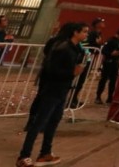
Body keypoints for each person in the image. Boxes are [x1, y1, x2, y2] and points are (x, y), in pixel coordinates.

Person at [17, 22, 88, 167]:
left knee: (54, 121)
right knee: (39, 123)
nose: (86, 34)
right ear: (75, 32)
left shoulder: (74, 49)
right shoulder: (63, 49)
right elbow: (52, 70)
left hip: (62, 89)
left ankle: (45, 153)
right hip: (53, 89)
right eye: (84, 31)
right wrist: (73, 72)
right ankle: (24, 156)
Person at [69, 17, 106, 108]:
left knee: (81, 80)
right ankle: (71, 99)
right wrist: (97, 44)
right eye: (84, 32)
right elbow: (89, 44)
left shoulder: (98, 33)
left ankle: (74, 98)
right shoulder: (92, 33)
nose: (103, 24)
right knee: (77, 80)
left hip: (88, 58)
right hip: (84, 57)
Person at [96, 28, 119, 104]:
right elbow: (103, 51)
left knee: (113, 82)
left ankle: (110, 97)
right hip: (108, 63)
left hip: (115, 64)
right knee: (103, 80)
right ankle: (98, 97)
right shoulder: (111, 40)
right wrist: (111, 54)